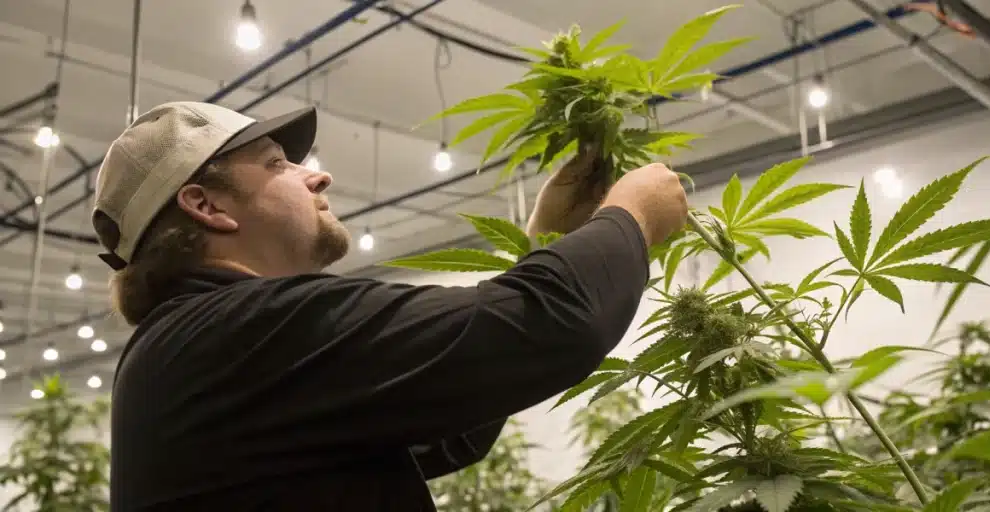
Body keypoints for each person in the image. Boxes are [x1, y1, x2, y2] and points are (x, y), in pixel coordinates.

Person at [93, 101, 689, 511]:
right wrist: (632, 213)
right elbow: (545, 323)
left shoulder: (197, 346)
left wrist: (542, 244)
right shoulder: (236, 333)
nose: (316, 177)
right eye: (278, 164)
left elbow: (453, 419)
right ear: (206, 206)